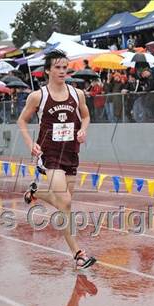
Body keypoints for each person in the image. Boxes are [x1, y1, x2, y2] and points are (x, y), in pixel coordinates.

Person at [17, 50, 96, 269]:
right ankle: (78, 253)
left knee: (64, 201)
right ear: (48, 71)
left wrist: (83, 130)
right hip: (49, 154)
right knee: (66, 203)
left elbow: (86, 115)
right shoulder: (38, 96)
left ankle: (35, 193)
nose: (63, 71)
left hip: (71, 152)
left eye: (65, 67)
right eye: (58, 68)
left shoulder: (77, 94)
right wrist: (29, 143)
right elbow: (21, 121)